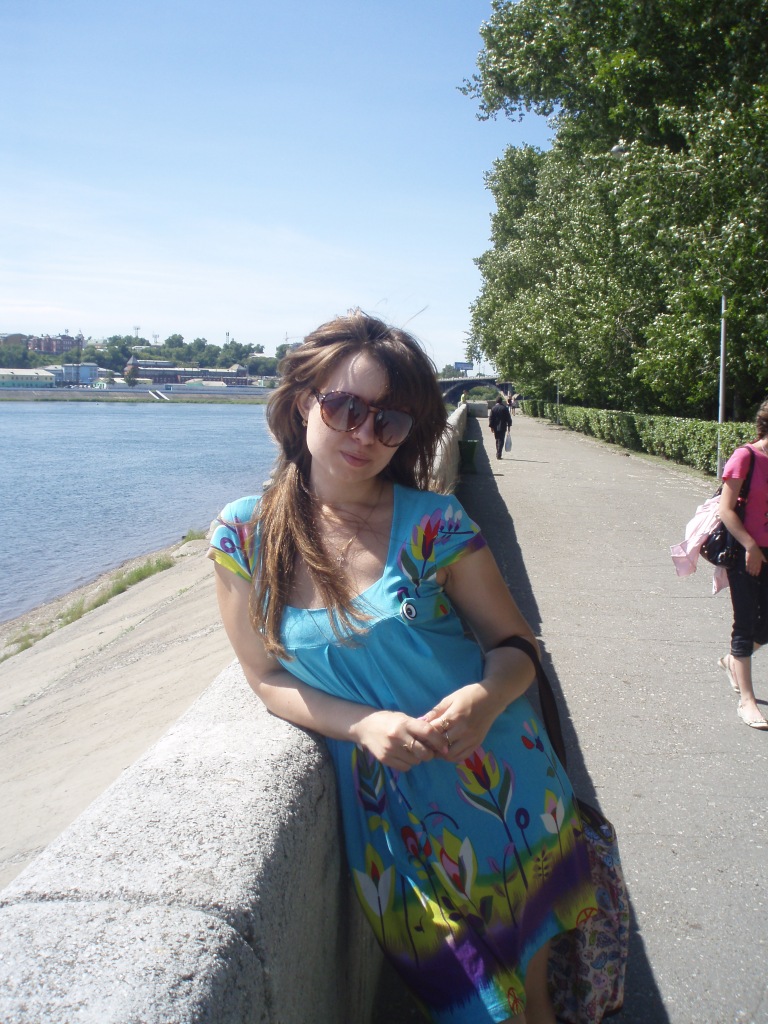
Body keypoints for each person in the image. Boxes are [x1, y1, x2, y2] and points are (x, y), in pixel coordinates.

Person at [209, 310, 597, 1023]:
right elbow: (264, 678)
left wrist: (485, 699)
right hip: (396, 827)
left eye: (389, 421)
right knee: (480, 1009)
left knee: (534, 995)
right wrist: (362, 724)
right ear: (302, 405)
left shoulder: (435, 524)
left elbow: (517, 645)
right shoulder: (244, 535)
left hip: (506, 788)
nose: (364, 434)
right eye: (345, 408)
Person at [717, 399, 768, 729]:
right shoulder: (746, 456)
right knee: (746, 621)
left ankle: (733, 660)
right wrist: (750, 546)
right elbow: (725, 509)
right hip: (745, 550)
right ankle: (747, 701)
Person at [489, 394, 513, 459]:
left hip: (495, 427)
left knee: (497, 439)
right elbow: (508, 418)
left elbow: (491, 418)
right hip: (503, 426)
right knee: (501, 440)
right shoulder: (504, 408)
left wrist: (491, 427)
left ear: (496, 401)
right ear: (501, 401)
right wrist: (509, 426)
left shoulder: (493, 408)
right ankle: (499, 453)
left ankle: (498, 452)